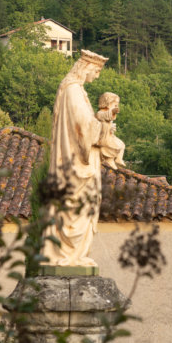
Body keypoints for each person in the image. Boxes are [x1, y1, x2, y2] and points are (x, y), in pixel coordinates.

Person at [42, 49, 109, 268]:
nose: (96, 76)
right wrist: (102, 124)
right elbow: (82, 126)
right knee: (76, 204)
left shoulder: (75, 89)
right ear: (87, 67)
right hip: (76, 163)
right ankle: (68, 254)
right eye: (96, 71)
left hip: (76, 160)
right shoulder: (73, 91)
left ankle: (76, 255)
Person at [96, 92, 126, 168]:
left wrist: (111, 128)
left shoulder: (108, 118)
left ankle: (118, 159)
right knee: (114, 150)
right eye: (115, 105)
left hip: (110, 137)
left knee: (122, 145)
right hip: (104, 139)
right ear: (108, 104)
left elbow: (109, 119)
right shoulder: (100, 113)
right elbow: (105, 116)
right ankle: (113, 165)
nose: (116, 107)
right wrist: (112, 111)